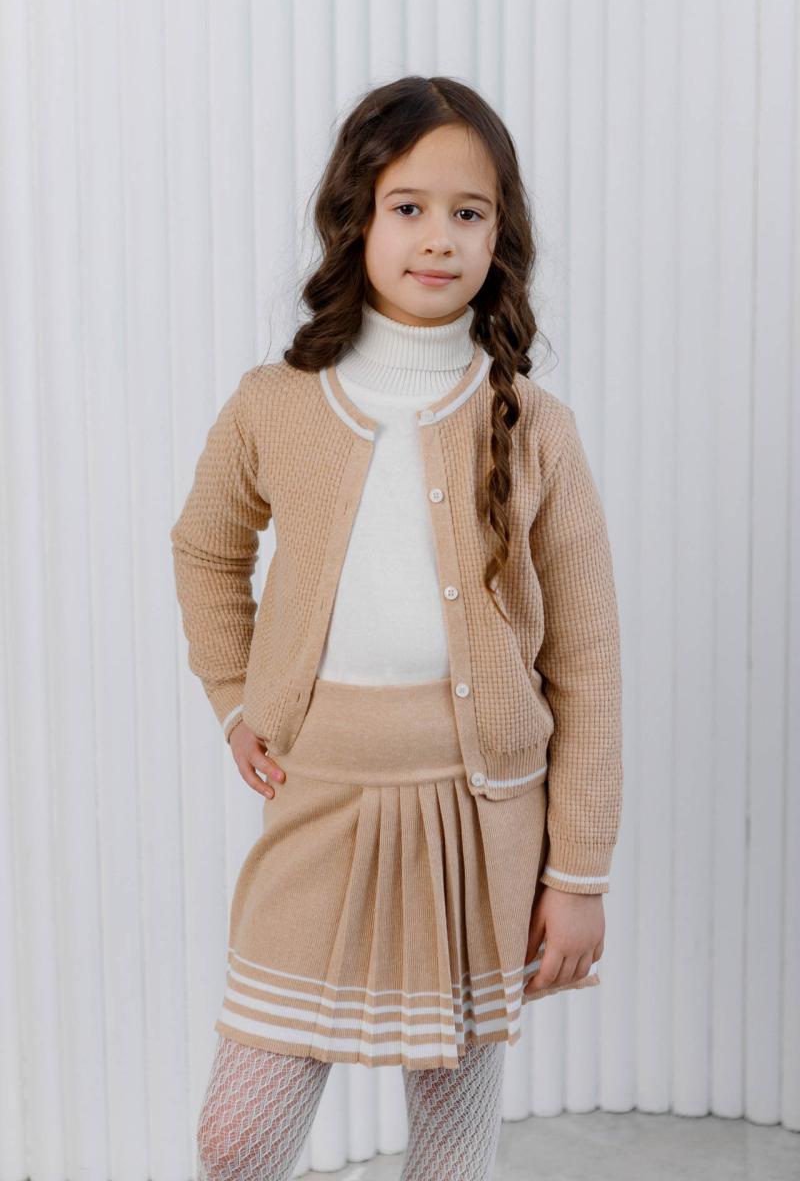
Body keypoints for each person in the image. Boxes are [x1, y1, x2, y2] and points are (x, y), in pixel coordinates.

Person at [171, 74, 624, 1181]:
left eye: (468, 213)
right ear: (357, 220)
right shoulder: (274, 402)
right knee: (237, 1139)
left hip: (482, 820)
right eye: (407, 207)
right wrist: (234, 698)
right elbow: (206, 550)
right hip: (320, 800)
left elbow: (588, 661)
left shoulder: (536, 427)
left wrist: (578, 877)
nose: (437, 237)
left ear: (499, 238)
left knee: (451, 1140)